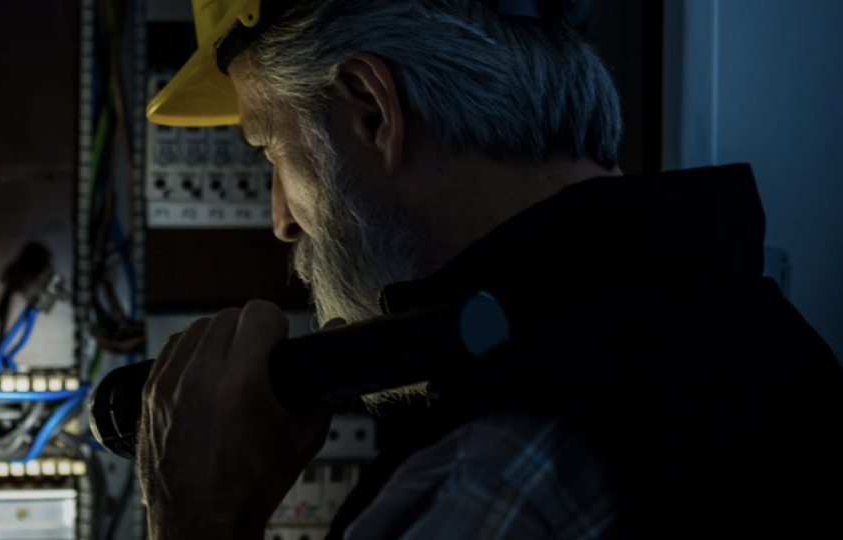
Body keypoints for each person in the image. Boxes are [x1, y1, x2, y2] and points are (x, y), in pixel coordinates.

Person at [135, 1, 843, 538]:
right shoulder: (734, 319)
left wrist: (201, 514)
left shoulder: (496, 466)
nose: (281, 218)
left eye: (269, 151)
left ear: (371, 111)